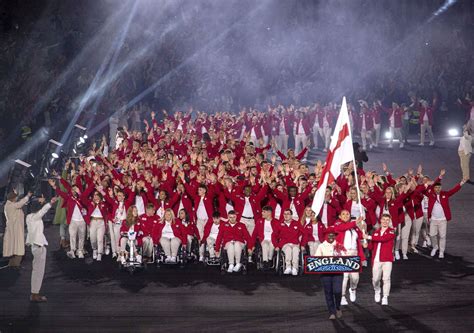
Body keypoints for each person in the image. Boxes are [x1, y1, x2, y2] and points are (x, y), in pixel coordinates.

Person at [424, 178, 466, 258]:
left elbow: (454, 190)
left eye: (439, 187)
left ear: (441, 188)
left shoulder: (445, 194)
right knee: (432, 235)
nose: (437, 189)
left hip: (442, 220)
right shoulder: (430, 194)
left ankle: (441, 251)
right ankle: (435, 247)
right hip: (433, 219)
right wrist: (436, 180)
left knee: (442, 236)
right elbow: (424, 189)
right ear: (434, 188)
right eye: (436, 187)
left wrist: (462, 182)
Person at [26, 196, 57, 302]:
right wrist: (50, 202)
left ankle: (35, 293)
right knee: (38, 272)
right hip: (38, 247)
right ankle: (35, 294)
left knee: (37, 271)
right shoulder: (35, 217)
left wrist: (41, 202)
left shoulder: (29, 217)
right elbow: (42, 211)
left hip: (35, 246)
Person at [364, 213, 395, 306]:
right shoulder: (376, 232)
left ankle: (385, 296)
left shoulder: (391, 231)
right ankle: (377, 290)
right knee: (375, 279)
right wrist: (365, 244)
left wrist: (369, 237)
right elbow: (371, 246)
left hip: (387, 259)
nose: (385, 222)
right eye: (383, 220)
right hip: (376, 260)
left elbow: (383, 239)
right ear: (380, 221)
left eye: (387, 220)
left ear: (389, 222)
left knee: (386, 279)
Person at [315, 229, 345, 320]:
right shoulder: (321, 246)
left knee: (337, 291)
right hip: (325, 273)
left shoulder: (339, 245)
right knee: (328, 292)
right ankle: (331, 312)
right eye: (329, 235)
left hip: (338, 273)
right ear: (326, 236)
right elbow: (316, 258)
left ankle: (338, 307)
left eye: (333, 235)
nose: (331, 237)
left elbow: (345, 257)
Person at [3, 190, 32, 268]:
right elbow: (19, 204)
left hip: (13, 228)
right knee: (17, 246)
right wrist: (28, 196)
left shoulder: (9, 204)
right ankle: (15, 264)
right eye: (15, 198)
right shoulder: (11, 205)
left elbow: (18, 203)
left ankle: (13, 264)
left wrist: (17, 194)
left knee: (14, 246)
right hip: (15, 228)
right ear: (13, 198)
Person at [274, 209, 304, 276]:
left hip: (295, 243)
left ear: (291, 215)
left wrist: (302, 244)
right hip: (285, 244)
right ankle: (288, 267)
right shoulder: (279, 224)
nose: (286, 215)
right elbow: (274, 236)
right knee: (288, 249)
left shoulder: (297, 223)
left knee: (295, 249)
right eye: (284, 214)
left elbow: (304, 233)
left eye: (288, 214)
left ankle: (295, 268)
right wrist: (276, 245)